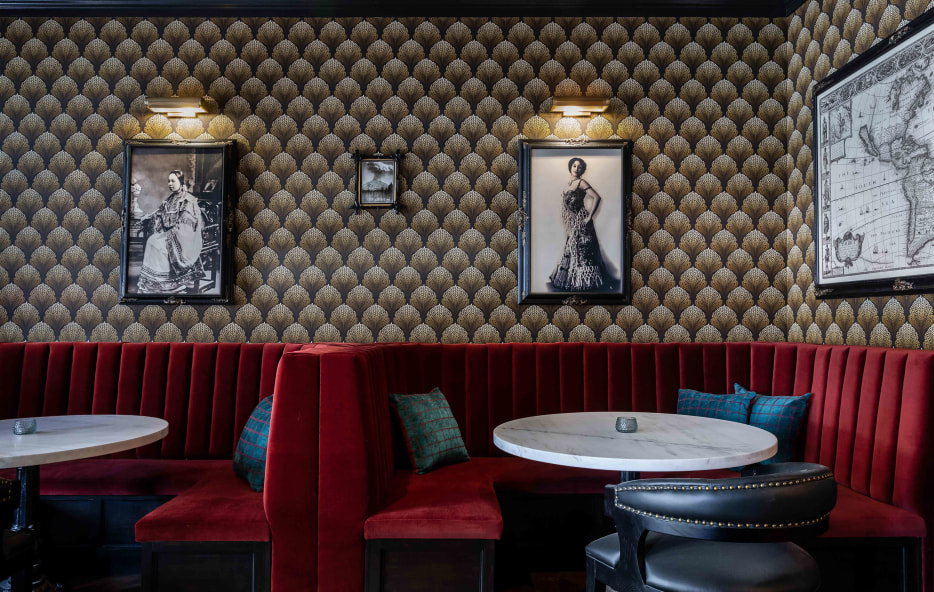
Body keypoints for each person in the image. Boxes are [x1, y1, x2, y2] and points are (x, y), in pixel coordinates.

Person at [137, 170, 204, 293]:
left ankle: (171, 282)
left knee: (157, 244)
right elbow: (160, 212)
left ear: (181, 182)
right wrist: (149, 216)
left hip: (184, 238)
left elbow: (188, 225)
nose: (170, 183)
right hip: (171, 233)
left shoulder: (188, 200)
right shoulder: (172, 198)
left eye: (173, 181)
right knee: (151, 241)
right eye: (169, 181)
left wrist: (169, 235)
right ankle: (155, 281)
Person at [550, 157, 608, 291]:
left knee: (583, 250)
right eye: (574, 166)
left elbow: (597, 197)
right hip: (572, 222)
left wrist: (589, 218)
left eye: (580, 167)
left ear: (583, 170)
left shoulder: (582, 182)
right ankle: (573, 279)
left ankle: (586, 281)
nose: (577, 169)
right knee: (572, 249)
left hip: (581, 219)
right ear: (570, 167)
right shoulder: (567, 185)